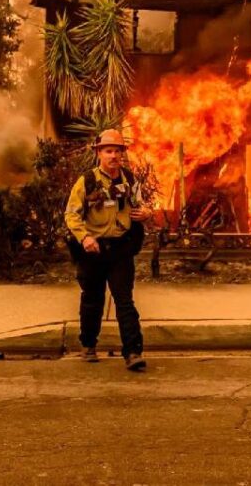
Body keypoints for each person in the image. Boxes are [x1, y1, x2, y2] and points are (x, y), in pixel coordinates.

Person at [64, 129, 152, 371]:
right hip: (92, 251)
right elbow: (71, 215)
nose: (114, 155)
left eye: (118, 151)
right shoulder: (87, 181)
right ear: (99, 153)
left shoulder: (129, 180)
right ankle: (89, 345)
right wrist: (84, 238)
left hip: (120, 250)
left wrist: (146, 213)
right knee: (92, 300)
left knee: (125, 301)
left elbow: (141, 205)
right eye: (109, 151)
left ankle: (133, 352)